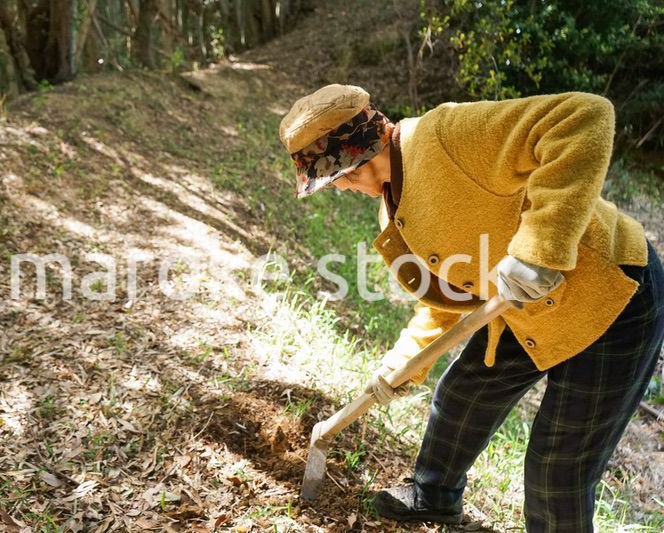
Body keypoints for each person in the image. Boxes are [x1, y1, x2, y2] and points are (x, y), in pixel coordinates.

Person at [278, 84, 664, 532]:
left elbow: (584, 116)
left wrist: (542, 246)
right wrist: (401, 364)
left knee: (557, 467)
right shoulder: (391, 211)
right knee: (461, 398)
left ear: (358, 153)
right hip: (521, 304)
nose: (341, 188)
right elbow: (443, 301)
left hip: (611, 295)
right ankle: (432, 498)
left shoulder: (446, 135)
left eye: (336, 177)